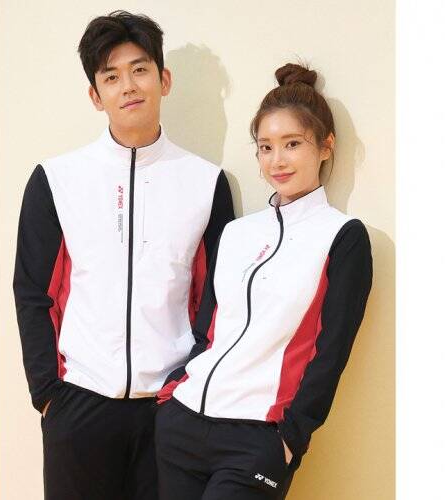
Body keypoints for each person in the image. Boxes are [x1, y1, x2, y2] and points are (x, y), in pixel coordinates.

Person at [12, 10, 234, 500]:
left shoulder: (206, 184)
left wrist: (189, 385)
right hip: (79, 405)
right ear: (96, 95)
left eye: (139, 69)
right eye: (111, 76)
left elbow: (217, 299)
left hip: (170, 410)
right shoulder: (57, 180)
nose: (128, 86)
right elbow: (32, 292)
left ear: (163, 79)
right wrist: (48, 393)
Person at [155, 63, 373, 500]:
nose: (277, 160)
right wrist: (172, 391)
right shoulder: (237, 233)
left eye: (293, 144)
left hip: (258, 438)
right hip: (182, 423)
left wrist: (292, 437)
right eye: (265, 147)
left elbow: (331, 351)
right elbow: (207, 330)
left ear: (325, 146)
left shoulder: (342, 237)